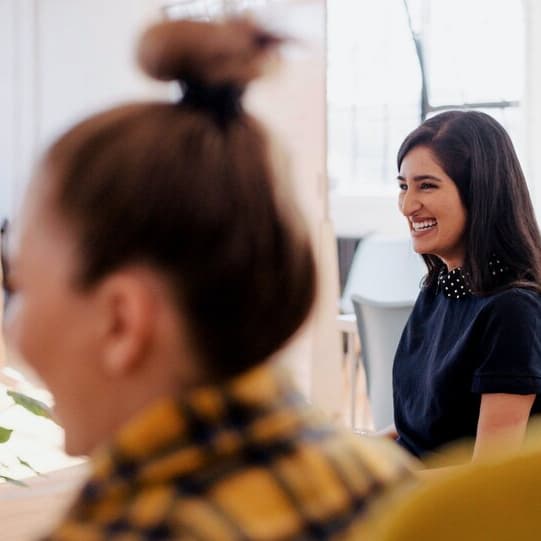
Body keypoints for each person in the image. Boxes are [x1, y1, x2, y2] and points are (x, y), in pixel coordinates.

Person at [4, 18, 414, 540]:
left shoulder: (120, 529)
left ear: (122, 319)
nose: (11, 328)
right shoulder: (382, 480)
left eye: (19, 287)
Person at [393, 110, 541, 460]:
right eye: (403, 186)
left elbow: (485, 475)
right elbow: (415, 432)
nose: (407, 205)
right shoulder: (438, 287)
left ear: (480, 192)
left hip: (448, 506)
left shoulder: (513, 311)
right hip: (410, 488)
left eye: (426, 185)